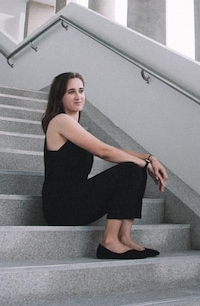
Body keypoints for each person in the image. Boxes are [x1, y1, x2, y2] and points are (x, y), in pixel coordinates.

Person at [41, 72, 168, 260]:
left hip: (75, 200)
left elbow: (112, 149)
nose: (78, 96)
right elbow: (104, 152)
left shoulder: (75, 128)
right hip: (61, 206)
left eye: (81, 90)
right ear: (60, 97)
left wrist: (149, 158)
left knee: (134, 167)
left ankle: (124, 238)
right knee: (131, 169)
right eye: (71, 92)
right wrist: (145, 164)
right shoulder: (60, 121)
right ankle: (109, 242)